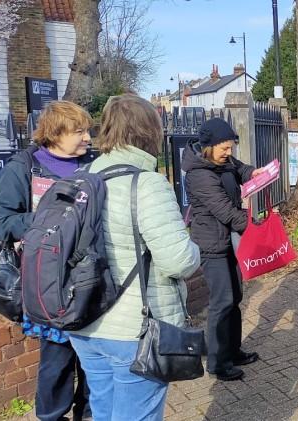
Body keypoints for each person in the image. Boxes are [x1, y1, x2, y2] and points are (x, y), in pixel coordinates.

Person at [68, 95, 201, 421]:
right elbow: (179, 261)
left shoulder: (80, 179)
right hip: (133, 330)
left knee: (104, 411)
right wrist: (194, 247)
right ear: (150, 131)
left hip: (85, 321)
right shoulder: (147, 184)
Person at [0, 101, 93, 421]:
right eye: (80, 131)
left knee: (93, 361)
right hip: (48, 283)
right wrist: (52, 219)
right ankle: (51, 415)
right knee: (57, 361)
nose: (88, 138)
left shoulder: (95, 164)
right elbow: (1, 223)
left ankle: (89, 413)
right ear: (56, 133)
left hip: (91, 278)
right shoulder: (23, 167)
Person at [182, 118, 261, 381]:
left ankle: (233, 350)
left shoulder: (223, 161)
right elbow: (225, 211)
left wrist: (253, 173)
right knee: (222, 301)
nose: (229, 152)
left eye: (231, 147)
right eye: (224, 148)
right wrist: (257, 229)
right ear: (209, 146)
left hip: (229, 241)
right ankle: (217, 362)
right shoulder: (199, 175)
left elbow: (240, 168)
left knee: (235, 296)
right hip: (211, 244)